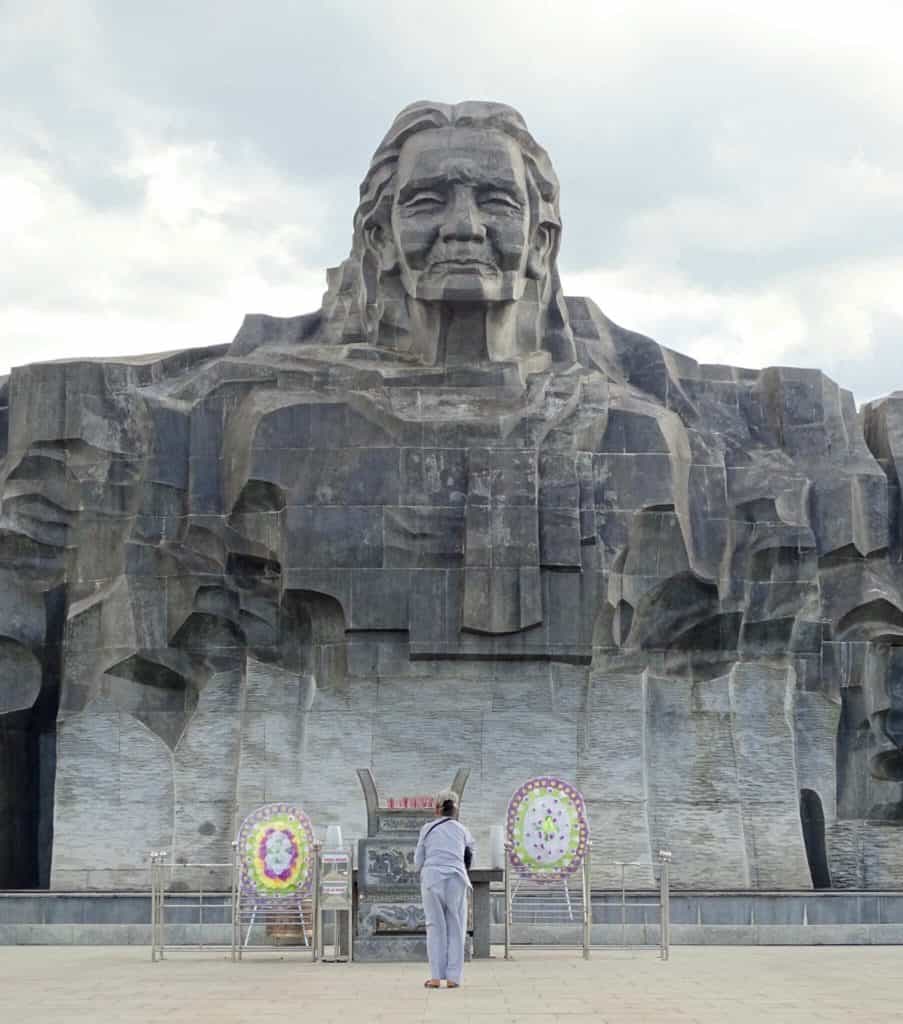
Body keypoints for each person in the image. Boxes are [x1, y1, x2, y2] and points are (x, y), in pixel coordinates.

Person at [414, 788, 475, 989]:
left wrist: (423, 869)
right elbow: (469, 855)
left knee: (435, 927)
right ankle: (453, 978)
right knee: (456, 928)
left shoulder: (427, 829)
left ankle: (435, 977)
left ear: (437, 809)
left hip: (432, 880)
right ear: (455, 810)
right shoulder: (462, 830)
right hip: (456, 878)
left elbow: (418, 859)